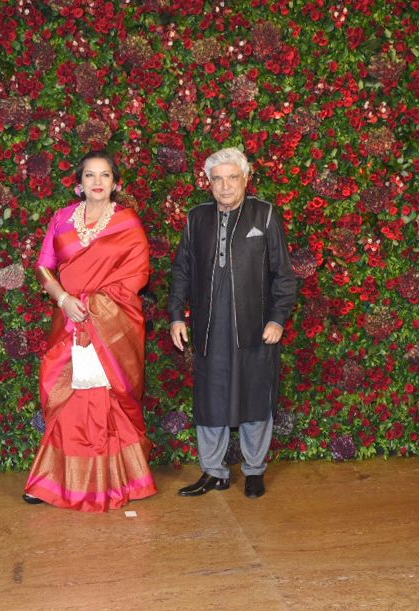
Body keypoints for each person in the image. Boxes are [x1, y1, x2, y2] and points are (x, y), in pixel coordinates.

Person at [23, 150, 157, 512]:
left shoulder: (127, 223)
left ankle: (116, 482)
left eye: (105, 176)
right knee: (65, 397)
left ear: (115, 183)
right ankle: (50, 483)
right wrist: (65, 300)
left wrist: (97, 308)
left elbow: (137, 275)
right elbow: (43, 267)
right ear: (79, 183)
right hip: (68, 322)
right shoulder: (62, 219)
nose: (97, 182)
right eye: (89, 176)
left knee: (102, 398)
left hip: (110, 327)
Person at [168, 147, 296, 499]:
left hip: (256, 331)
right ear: (208, 183)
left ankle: (255, 471)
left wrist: (277, 318)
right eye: (217, 179)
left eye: (232, 177)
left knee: (255, 398)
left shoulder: (265, 215)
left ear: (245, 179)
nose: (225, 186)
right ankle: (214, 472)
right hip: (210, 330)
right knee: (211, 401)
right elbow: (181, 271)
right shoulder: (197, 218)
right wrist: (177, 315)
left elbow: (283, 275)